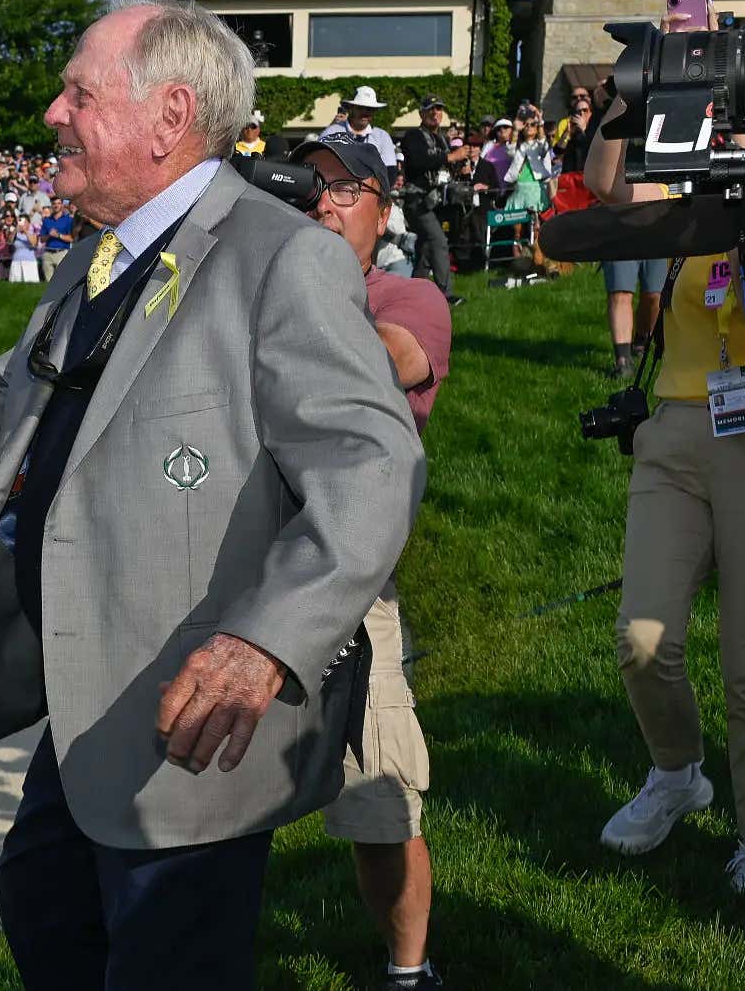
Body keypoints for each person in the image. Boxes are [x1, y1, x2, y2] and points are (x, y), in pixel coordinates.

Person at [0, 0, 423, 988]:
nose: (52, 113)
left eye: (77, 94)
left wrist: (266, 639)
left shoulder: (280, 258)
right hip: (95, 700)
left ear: (167, 118)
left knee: (159, 955)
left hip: (189, 713)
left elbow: (371, 464)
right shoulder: (92, 261)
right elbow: (12, 396)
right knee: (44, 904)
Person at [584, 71, 745, 896]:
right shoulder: (700, 192)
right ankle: (677, 772)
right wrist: (623, 106)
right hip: (678, 427)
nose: (733, 147)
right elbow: (609, 188)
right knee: (641, 638)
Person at [290, 134, 452, 991]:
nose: (323, 200)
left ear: (384, 209)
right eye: (310, 185)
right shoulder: (262, 285)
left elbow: (398, 359)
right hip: (243, 570)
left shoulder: (408, 293)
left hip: (353, 582)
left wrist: (301, 293)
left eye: (346, 188)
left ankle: (407, 970)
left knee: (378, 795)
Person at [395, 97, 460, 298]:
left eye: (439, 110)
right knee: (438, 241)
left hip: (436, 200)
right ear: (421, 114)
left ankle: (415, 291)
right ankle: (445, 295)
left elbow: (445, 166)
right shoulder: (413, 136)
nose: (435, 114)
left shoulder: (442, 139)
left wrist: (458, 163)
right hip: (417, 200)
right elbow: (417, 160)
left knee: (425, 247)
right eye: (430, 110)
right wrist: (449, 157)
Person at [319, 85, 399, 177]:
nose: (365, 113)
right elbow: (320, 163)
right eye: (360, 108)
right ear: (351, 108)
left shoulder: (382, 137)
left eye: (369, 109)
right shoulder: (332, 132)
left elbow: (390, 171)